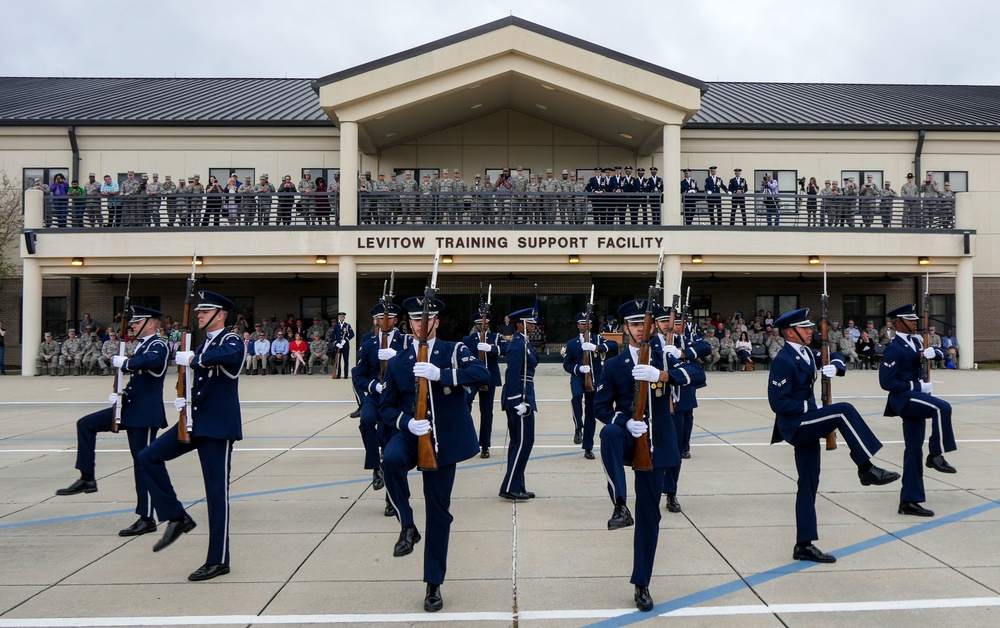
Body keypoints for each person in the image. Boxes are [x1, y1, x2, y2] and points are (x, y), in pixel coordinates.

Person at [378, 295, 488, 612]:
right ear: (409, 323)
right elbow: (386, 407)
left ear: (436, 322)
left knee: (439, 514)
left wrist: (443, 375)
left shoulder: (454, 351)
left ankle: (433, 584)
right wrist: (406, 423)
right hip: (412, 435)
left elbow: (483, 375)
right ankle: (408, 525)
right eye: (414, 320)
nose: (420, 325)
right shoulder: (399, 361)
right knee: (392, 461)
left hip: (444, 443)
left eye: (426, 320)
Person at [596, 298, 705, 611]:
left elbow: (699, 375)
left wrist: (663, 375)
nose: (640, 329)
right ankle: (619, 503)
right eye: (633, 324)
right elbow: (600, 408)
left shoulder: (663, 357)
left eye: (644, 323)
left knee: (650, 516)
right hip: (629, 438)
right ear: (624, 329)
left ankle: (641, 583)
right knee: (608, 433)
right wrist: (625, 420)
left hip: (657, 447)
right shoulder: (615, 365)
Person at [768, 308, 899, 563]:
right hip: (796, 424)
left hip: (808, 422)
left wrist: (836, 366)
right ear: (790, 333)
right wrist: (813, 408)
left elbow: (834, 354)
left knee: (808, 483)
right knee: (843, 412)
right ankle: (866, 467)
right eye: (804, 328)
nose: (810, 331)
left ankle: (803, 545)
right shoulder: (784, 359)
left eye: (809, 327)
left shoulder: (806, 352)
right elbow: (778, 402)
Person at [138, 291, 245, 582]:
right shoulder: (202, 343)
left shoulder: (230, 340)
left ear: (220, 315)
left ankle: (218, 560)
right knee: (148, 457)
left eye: (205, 311)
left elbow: (228, 357)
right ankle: (177, 516)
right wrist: (185, 400)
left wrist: (194, 358)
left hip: (217, 428)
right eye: (198, 311)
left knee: (215, 494)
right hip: (194, 422)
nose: (199, 315)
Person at [55, 306, 169, 537]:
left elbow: (150, 362)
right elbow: (139, 381)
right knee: (86, 424)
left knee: (142, 464)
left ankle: (146, 518)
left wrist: (124, 363)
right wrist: (122, 394)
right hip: (129, 408)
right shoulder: (141, 346)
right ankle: (87, 477)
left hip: (145, 415)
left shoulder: (158, 345)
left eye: (136, 323)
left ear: (149, 324)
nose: (132, 326)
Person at [879, 303, 957, 517]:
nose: (915, 322)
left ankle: (909, 501)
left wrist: (937, 353)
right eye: (910, 320)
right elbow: (886, 382)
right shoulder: (894, 348)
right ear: (899, 323)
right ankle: (936, 454)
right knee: (942, 408)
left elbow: (932, 356)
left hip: (916, 398)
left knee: (913, 450)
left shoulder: (915, 341)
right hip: (903, 399)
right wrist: (917, 386)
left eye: (914, 319)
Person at [353, 302, 410, 509]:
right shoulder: (368, 344)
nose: (385, 322)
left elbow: (413, 367)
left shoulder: (405, 343)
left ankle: (390, 501)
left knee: (390, 447)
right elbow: (358, 375)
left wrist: (397, 357)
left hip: (395, 399)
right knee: (366, 419)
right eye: (381, 318)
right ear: (376, 320)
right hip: (376, 394)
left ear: (395, 320)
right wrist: (374, 386)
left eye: (390, 318)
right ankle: (374, 466)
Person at [656, 305, 710, 513]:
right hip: (658, 402)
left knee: (676, 450)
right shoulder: (650, 344)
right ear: (657, 325)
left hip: (680, 402)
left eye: (673, 323)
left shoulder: (684, 340)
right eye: (664, 322)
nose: (670, 327)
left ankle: (671, 492)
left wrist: (681, 353)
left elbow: (705, 348)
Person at [499, 305, 540, 500]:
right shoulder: (517, 344)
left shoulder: (523, 342)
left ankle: (518, 485)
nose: (533, 325)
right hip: (520, 397)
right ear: (521, 324)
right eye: (530, 322)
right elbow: (513, 373)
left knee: (519, 442)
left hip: (525, 394)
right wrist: (517, 401)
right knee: (524, 441)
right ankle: (510, 487)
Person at [563, 311, 616, 459]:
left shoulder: (597, 339)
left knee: (591, 414)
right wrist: (578, 369)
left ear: (591, 325)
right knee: (577, 396)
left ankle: (588, 447)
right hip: (579, 378)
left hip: (594, 379)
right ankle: (578, 426)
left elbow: (612, 344)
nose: (584, 326)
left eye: (587, 323)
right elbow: (566, 364)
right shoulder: (572, 344)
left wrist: (596, 347)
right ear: (577, 325)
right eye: (581, 323)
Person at [462, 309, 508, 459]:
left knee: (486, 412)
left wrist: (492, 348)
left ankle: (485, 445)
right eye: (479, 324)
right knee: (465, 402)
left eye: (485, 324)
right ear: (475, 325)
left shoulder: (495, 337)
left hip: (489, 379)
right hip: (473, 378)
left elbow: (508, 349)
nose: (482, 326)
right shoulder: (468, 340)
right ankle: (466, 437)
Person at [330, 311, 355, 379]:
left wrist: (345, 340)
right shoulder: (336, 326)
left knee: (346, 360)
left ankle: (346, 375)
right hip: (338, 345)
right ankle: (338, 374)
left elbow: (352, 334)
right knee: (338, 360)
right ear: (339, 318)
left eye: (342, 317)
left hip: (345, 346)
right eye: (340, 317)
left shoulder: (347, 325)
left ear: (344, 318)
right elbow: (332, 335)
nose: (341, 318)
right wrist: (336, 343)